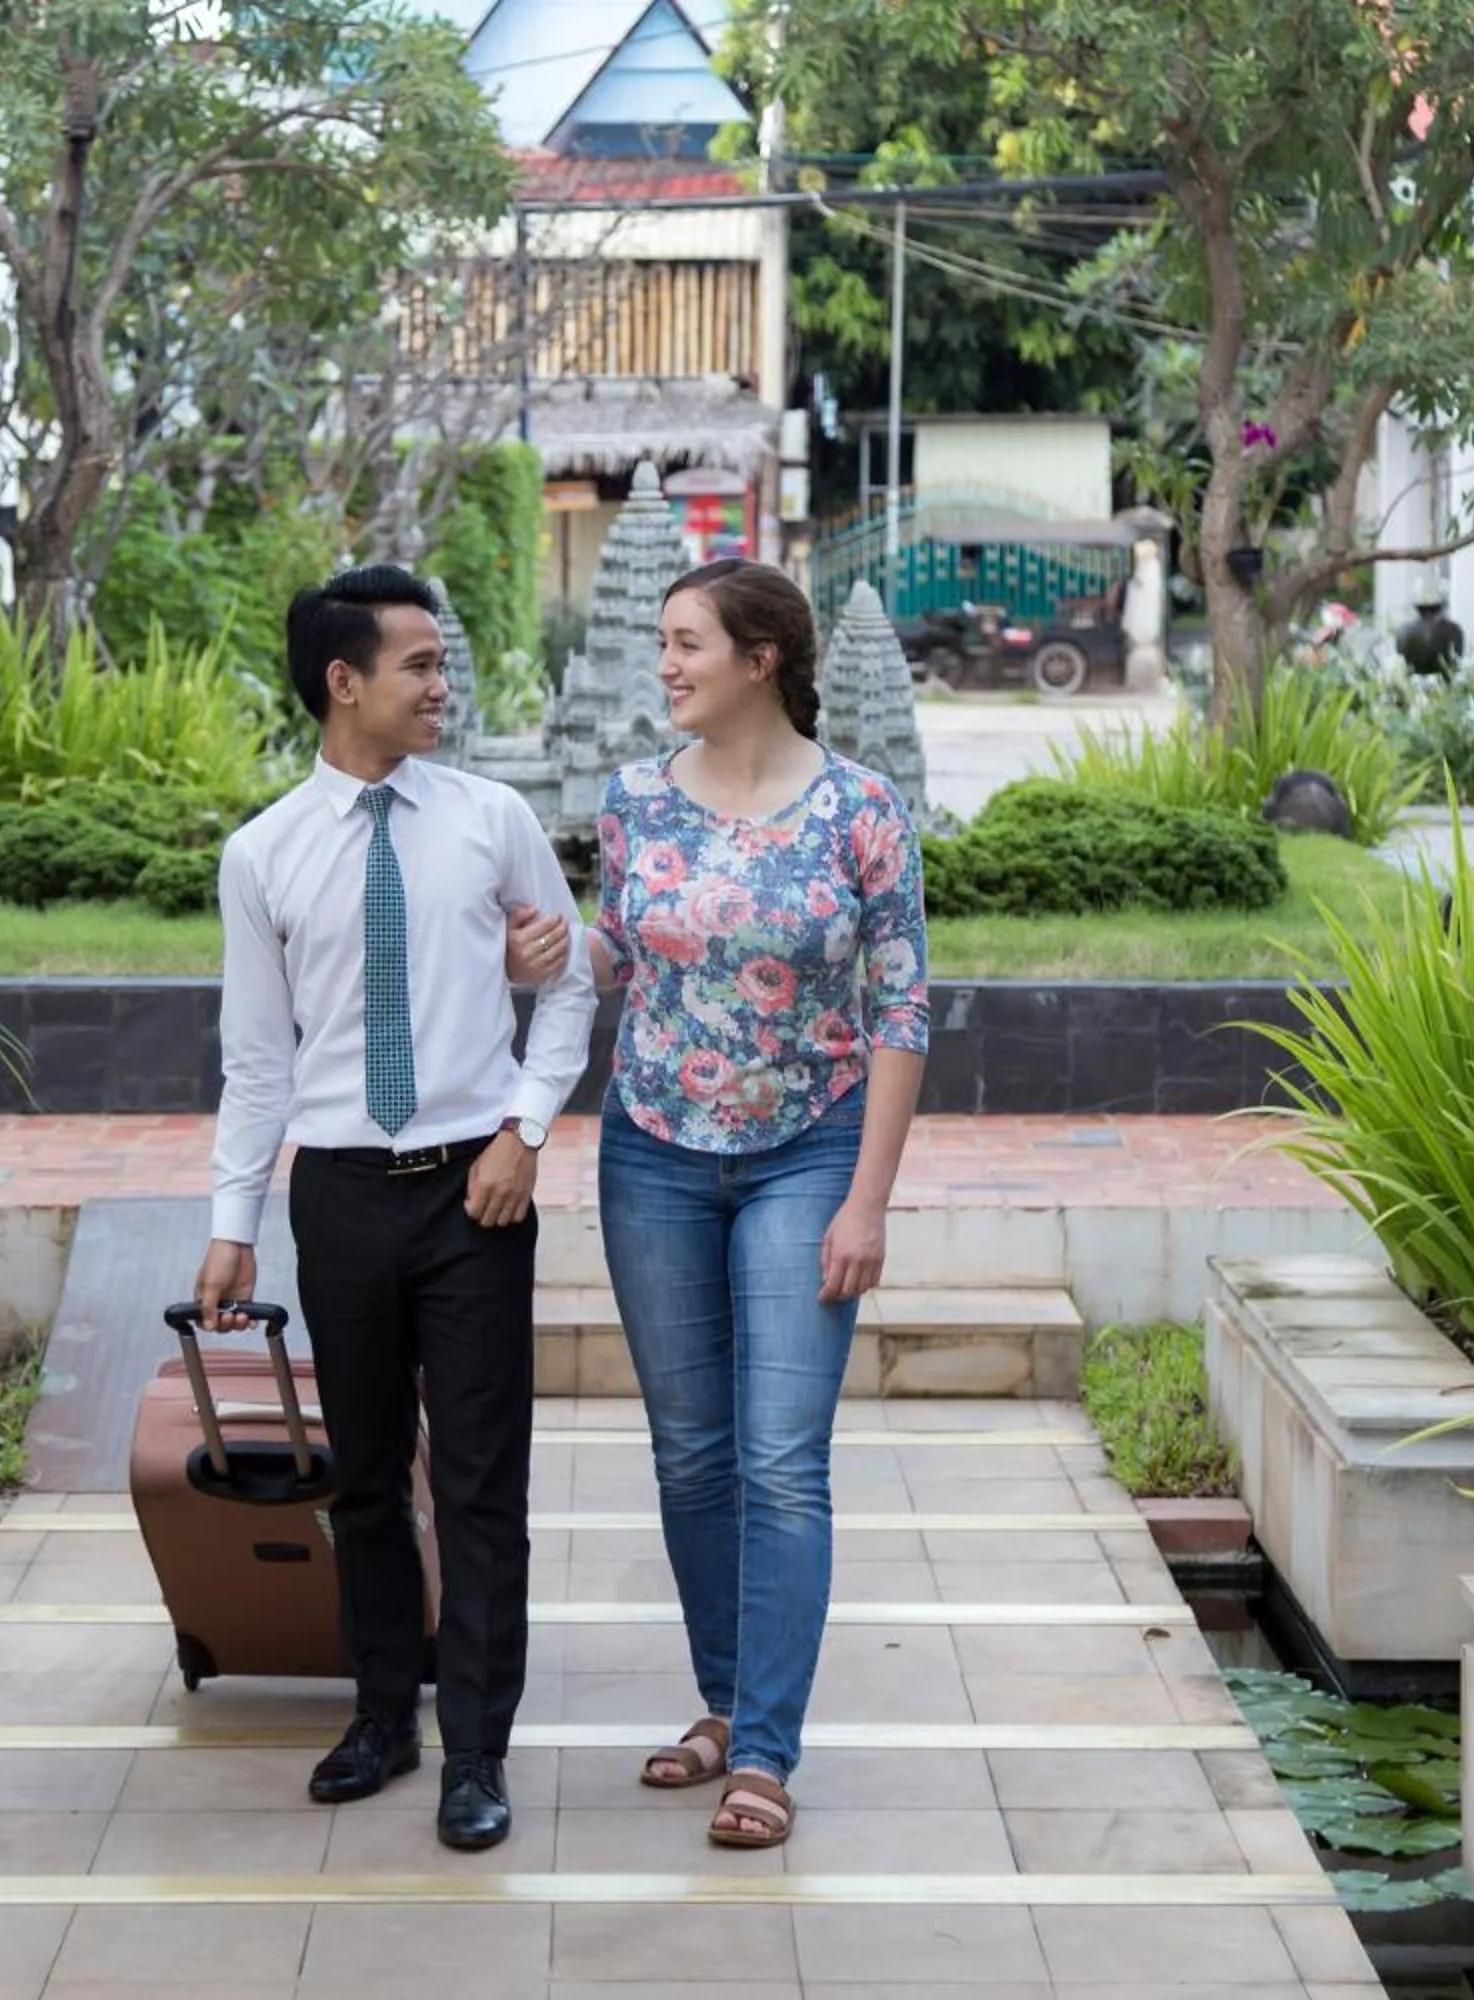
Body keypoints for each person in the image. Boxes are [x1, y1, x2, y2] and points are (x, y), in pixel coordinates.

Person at [194, 563, 596, 1853]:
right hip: (343, 1201)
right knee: (363, 1478)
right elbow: (256, 1059)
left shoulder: (490, 819)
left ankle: (476, 1751)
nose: (444, 684)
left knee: (483, 1488)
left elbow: (575, 983)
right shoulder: (260, 855)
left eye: (444, 661)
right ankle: (383, 1714)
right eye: (419, 665)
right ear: (344, 682)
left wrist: (525, 1130)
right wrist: (231, 1219)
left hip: (476, 1192)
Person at [581, 557, 928, 1850]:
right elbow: (622, 945)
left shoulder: (862, 809)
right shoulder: (631, 802)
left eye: (687, 644)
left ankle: (766, 1755)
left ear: (760, 656)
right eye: (663, 642)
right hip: (653, 1151)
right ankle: (722, 1704)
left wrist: (867, 1202)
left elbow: (900, 1006)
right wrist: (562, 948)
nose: (665, 664)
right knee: (691, 1453)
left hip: (806, 1151)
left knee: (782, 1461)